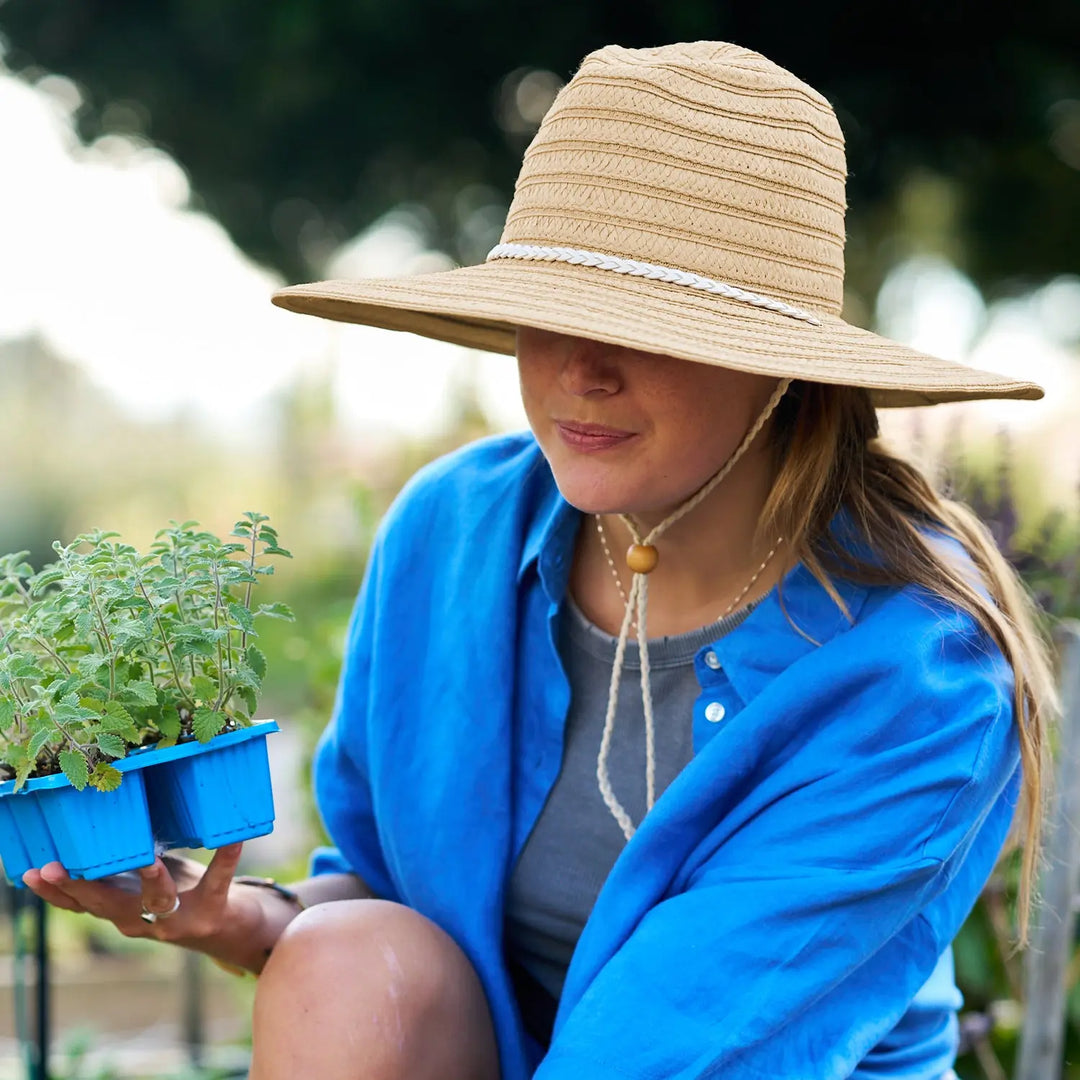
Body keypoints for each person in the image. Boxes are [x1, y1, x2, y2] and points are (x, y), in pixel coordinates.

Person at [22, 41, 1055, 1080]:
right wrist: (228, 917)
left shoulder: (916, 674)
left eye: (642, 327)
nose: (577, 369)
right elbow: (379, 895)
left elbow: (675, 1052)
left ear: (778, 364)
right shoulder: (451, 534)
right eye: (549, 310)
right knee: (346, 962)